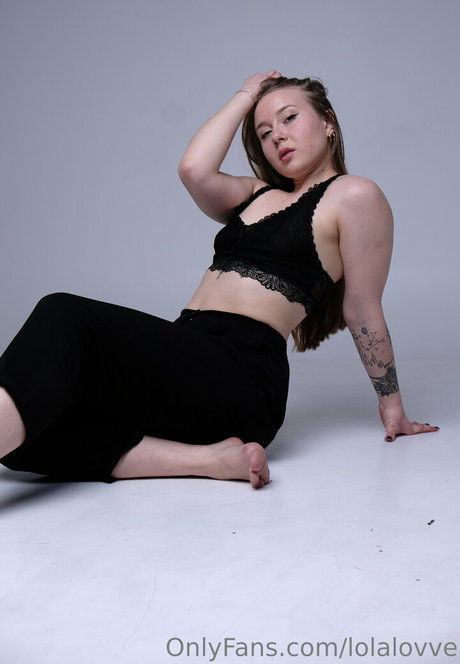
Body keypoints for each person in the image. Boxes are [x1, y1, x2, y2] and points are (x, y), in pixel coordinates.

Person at [0, 70, 438, 489]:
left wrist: (392, 406)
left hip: (244, 376)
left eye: (289, 118)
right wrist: (245, 95)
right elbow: (194, 169)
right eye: (264, 133)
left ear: (328, 122)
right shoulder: (256, 193)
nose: (277, 136)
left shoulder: (354, 195)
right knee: (34, 426)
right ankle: (209, 460)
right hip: (191, 355)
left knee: (65, 314)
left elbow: (361, 307)